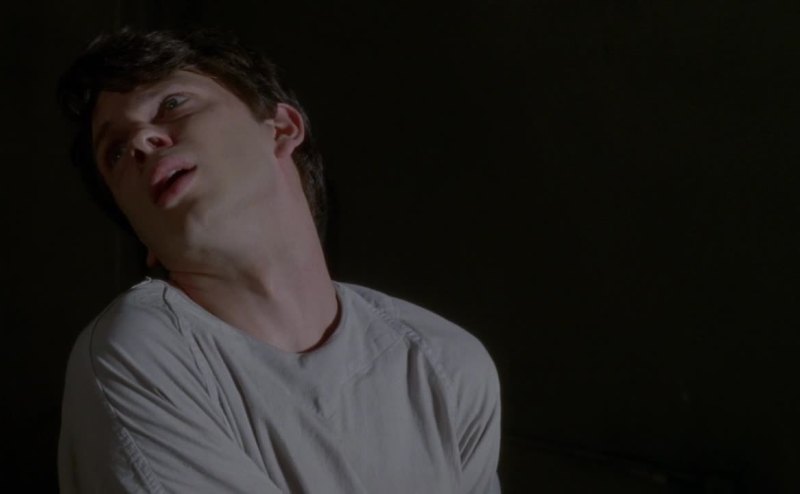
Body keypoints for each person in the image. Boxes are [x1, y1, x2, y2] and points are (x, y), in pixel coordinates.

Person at [57, 28, 501, 494]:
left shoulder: (446, 362)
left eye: (172, 104)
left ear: (282, 127)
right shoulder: (139, 356)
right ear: (141, 234)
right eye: (116, 151)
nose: (141, 140)